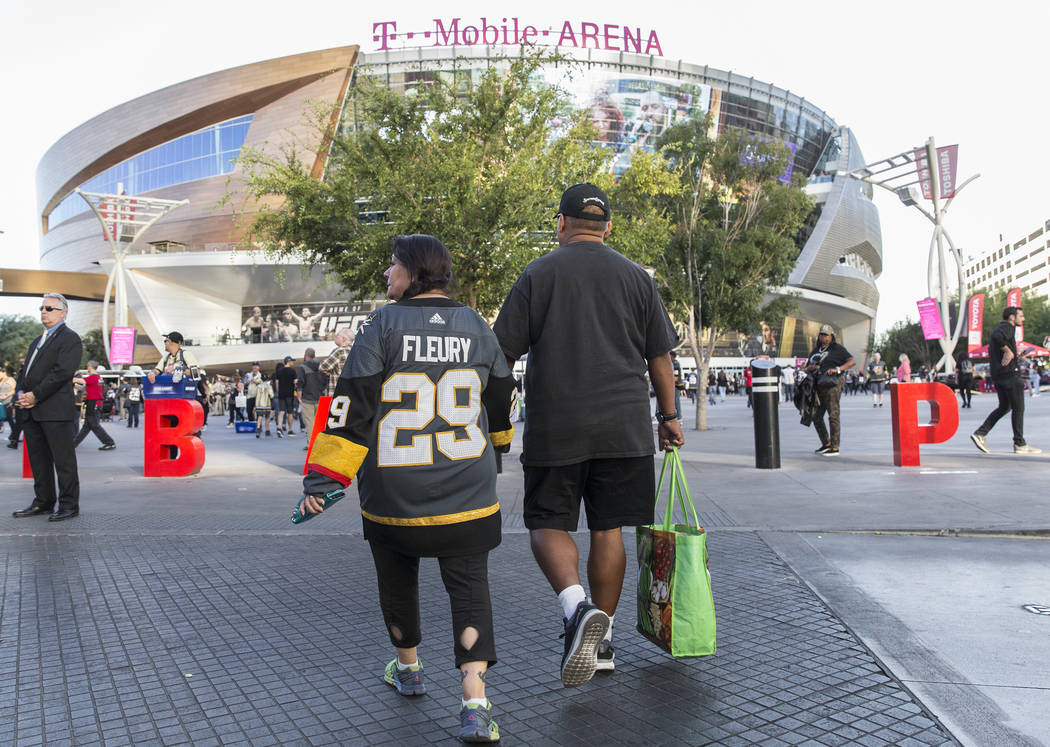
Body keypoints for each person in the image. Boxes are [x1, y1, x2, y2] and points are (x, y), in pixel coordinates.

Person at [298, 235, 514, 742]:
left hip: (394, 494)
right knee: (469, 590)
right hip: (469, 492)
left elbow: (351, 403)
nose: (387, 275)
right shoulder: (478, 325)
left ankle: (409, 668)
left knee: (397, 581)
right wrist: (498, 441)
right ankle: (475, 702)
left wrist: (323, 479)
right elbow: (503, 393)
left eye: (393, 266)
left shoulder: (381, 325)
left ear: (413, 272)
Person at [493, 183, 684, 687]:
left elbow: (502, 355)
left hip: (558, 426)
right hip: (624, 426)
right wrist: (668, 416)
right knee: (609, 529)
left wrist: (495, 417)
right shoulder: (636, 278)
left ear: (560, 222)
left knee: (547, 522)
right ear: (609, 227)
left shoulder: (538, 274)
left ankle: (577, 610)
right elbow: (658, 358)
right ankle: (601, 642)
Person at [12, 293, 84, 522]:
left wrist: (35, 395)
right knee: (38, 460)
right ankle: (43, 502)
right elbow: (25, 371)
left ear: (63, 312)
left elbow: (61, 373)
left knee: (63, 461)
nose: (44, 311)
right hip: (32, 411)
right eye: (42, 307)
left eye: (50, 308)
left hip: (54, 410)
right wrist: (21, 393)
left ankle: (69, 505)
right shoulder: (38, 339)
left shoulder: (70, 338)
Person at [971, 306, 1041, 455]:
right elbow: (997, 336)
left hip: (999, 376)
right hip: (1010, 375)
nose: (1023, 319)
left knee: (1005, 407)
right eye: (1020, 316)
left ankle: (980, 433)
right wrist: (1009, 351)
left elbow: (997, 342)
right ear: (1012, 316)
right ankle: (1020, 444)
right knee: (1018, 408)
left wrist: (1015, 353)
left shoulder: (1004, 328)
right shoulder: (1007, 327)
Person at [805, 324, 854, 456]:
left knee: (833, 415)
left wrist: (838, 369)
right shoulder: (815, 350)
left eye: (826, 335)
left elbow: (851, 361)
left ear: (832, 336)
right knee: (816, 416)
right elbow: (807, 366)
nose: (823, 337)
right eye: (822, 334)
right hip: (818, 385)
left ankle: (835, 446)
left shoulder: (837, 349)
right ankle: (826, 443)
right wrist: (809, 368)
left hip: (832, 384)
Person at [72, 361, 117, 450]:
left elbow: (80, 380)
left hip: (94, 403)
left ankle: (109, 442)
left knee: (94, 425)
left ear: (90, 367)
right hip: (94, 402)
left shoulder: (93, 377)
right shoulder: (98, 378)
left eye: (87, 366)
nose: (87, 368)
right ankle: (73, 444)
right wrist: (74, 385)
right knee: (87, 426)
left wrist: (70, 378)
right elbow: (83, 388)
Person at [296, 348, 325, 449]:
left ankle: (311, 444)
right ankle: (320, 443)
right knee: (320, 422)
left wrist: (299, 397)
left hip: (307, 398)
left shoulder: (302, 367)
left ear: (306, 355)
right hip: (320, 397)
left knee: (309, 422)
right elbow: (325, 381)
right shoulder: (321, 366)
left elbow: (300, 383)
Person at [320, 327, 354, 396]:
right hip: (351, 394)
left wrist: (329, 371)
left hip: (334, 394)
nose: (335, 336)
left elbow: (322, 367)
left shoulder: (339, 351)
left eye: (338, 335)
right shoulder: (356, 351)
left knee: (324, 407)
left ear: (344, 339)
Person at [274, 356, 298, 436]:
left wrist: (278, 391)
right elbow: (295, 383)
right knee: (290, 412)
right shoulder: (292, 371)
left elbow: (277, 383)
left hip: (281, 394)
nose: (293, 362)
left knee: (281, 411)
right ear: (288, 361)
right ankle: (290, 430)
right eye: (292, 361)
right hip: (290, 394)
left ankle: (279, 427)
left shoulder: (279, 371)